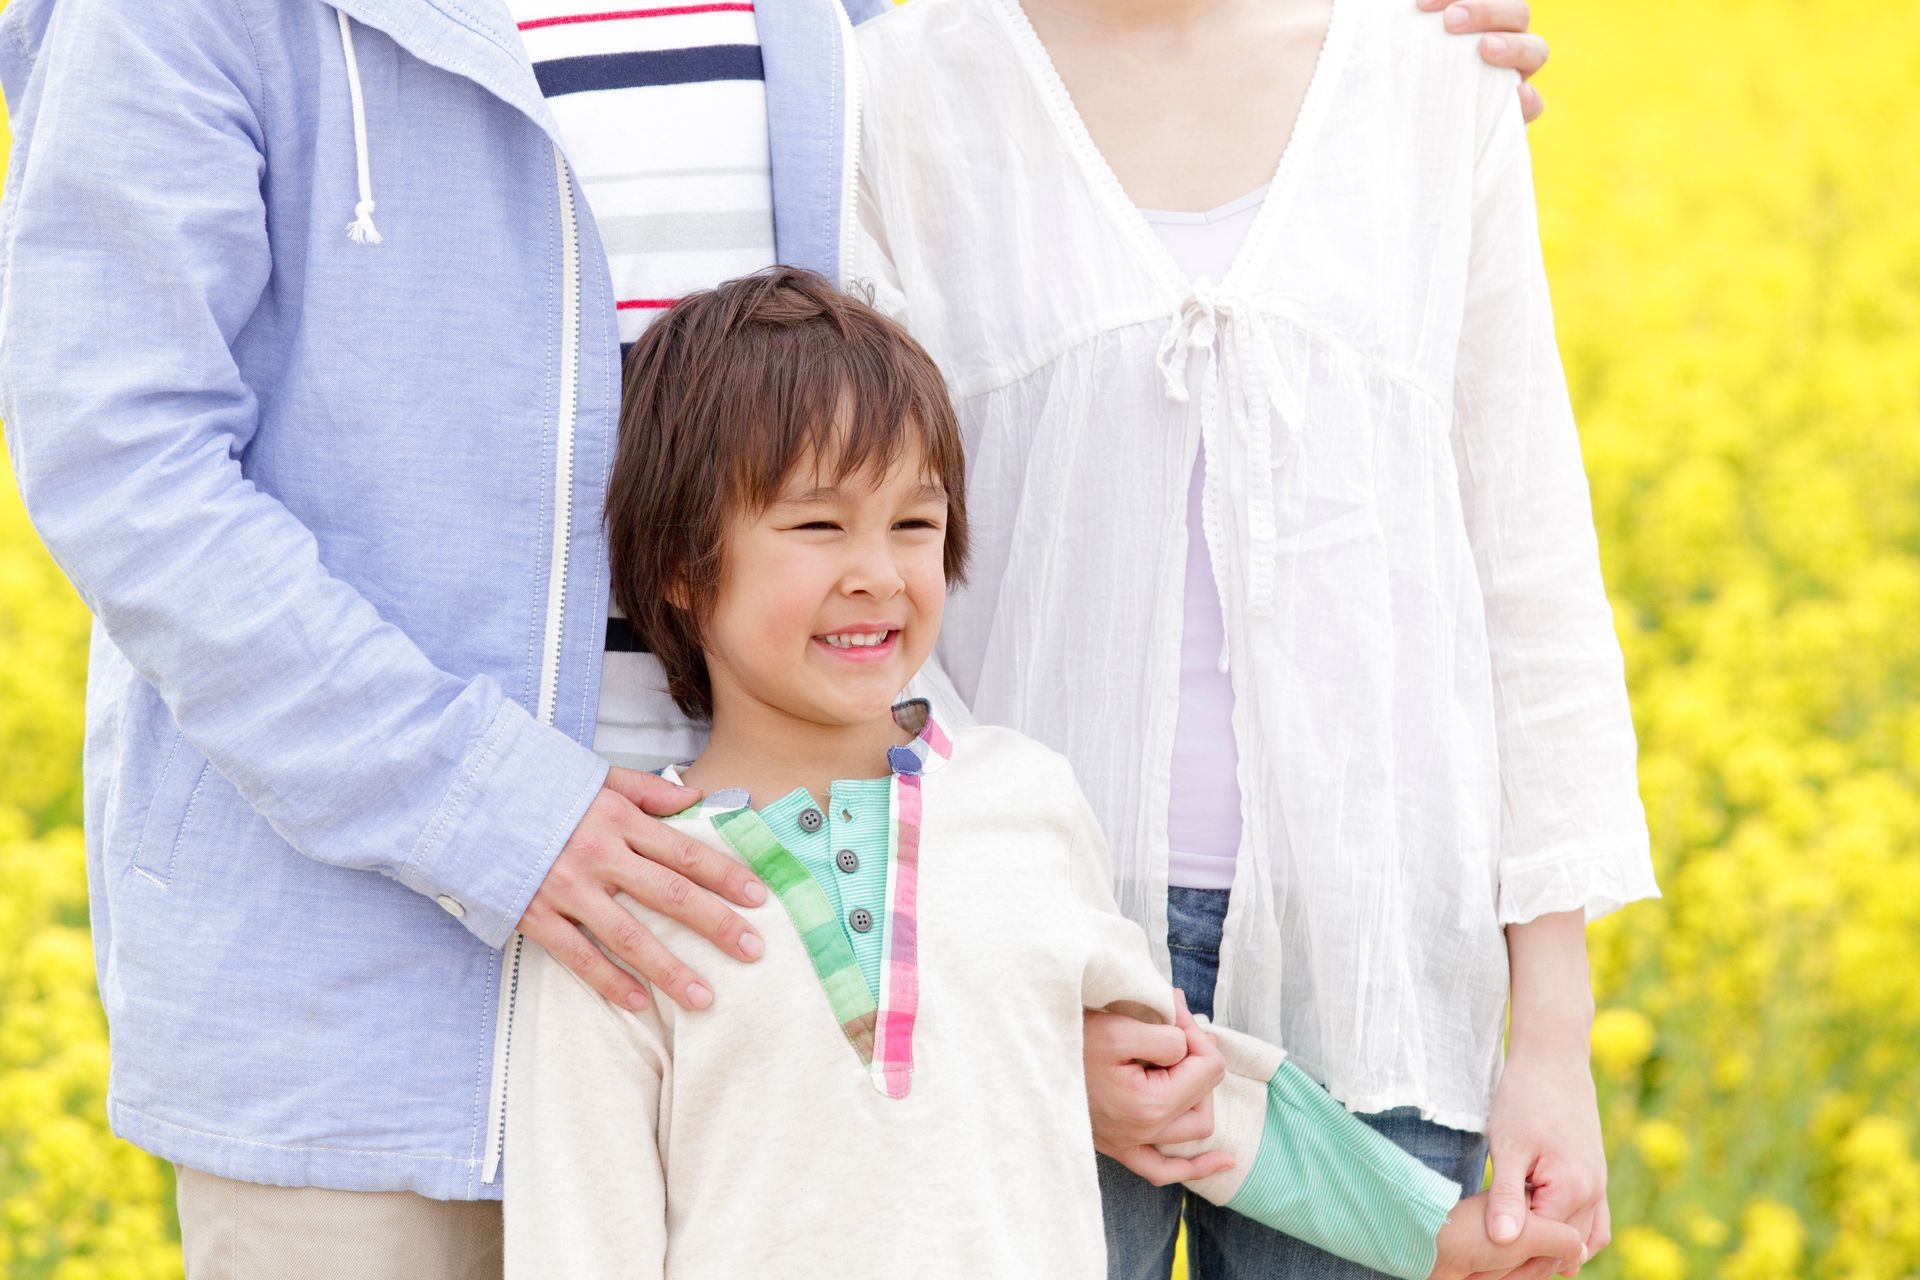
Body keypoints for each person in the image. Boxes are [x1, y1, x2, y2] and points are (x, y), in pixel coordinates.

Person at [0, 0, 1549, 1272]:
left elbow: (1050, 126)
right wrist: (495, 812)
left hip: (781, 951)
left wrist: (1347, 73)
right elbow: (121, 455)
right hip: (355, 994)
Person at [502, 264, 1588, 1279]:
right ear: (682, 566)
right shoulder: (621, 891)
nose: (876, 573)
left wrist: (1428, 1229)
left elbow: (1188, 1086)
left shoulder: (1022, 805)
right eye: (819, 525)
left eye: (914, 524)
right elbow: (578, 1233)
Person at [851, 0, 1661, 1275]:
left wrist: (1552, 1037)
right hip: (1032, 960)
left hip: (1372, 959)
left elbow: (1526, 565)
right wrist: (1004, 951)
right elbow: (871, 602)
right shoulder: (900, 93)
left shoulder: (1429, 81)